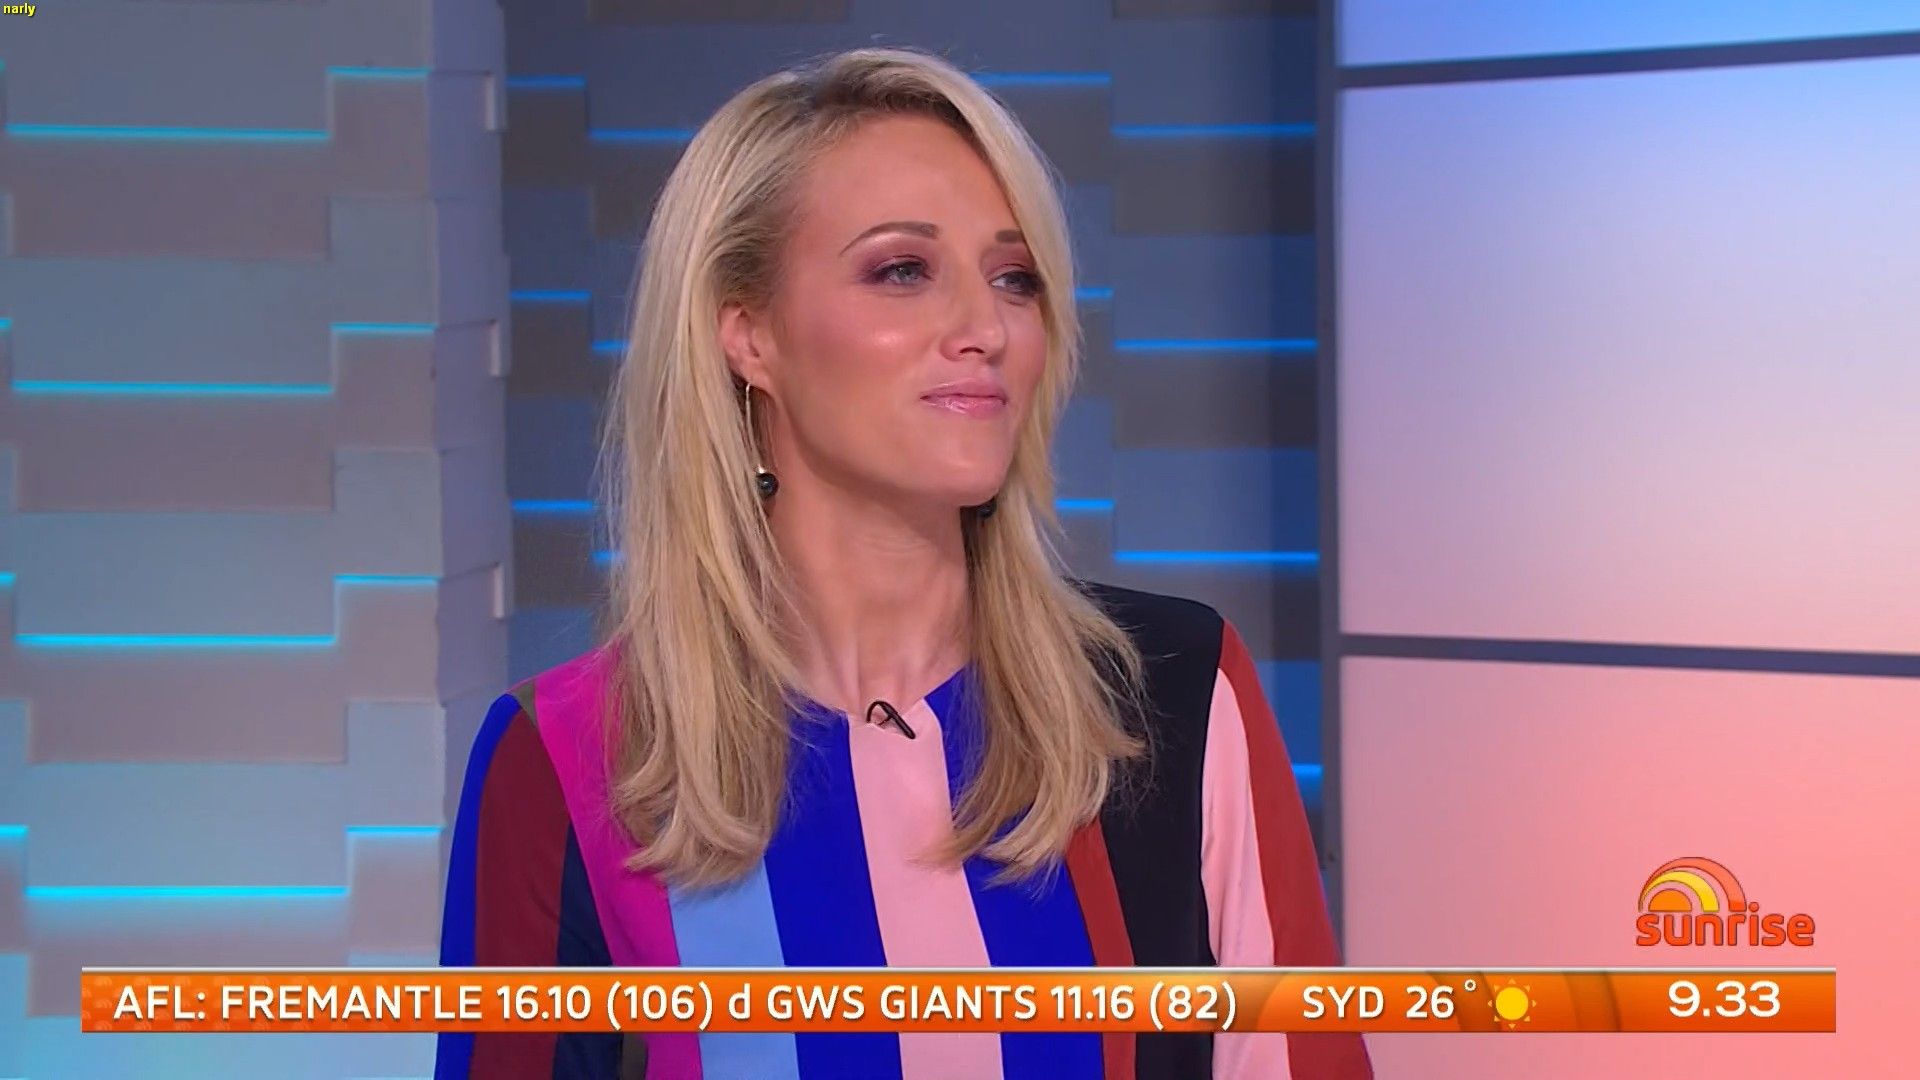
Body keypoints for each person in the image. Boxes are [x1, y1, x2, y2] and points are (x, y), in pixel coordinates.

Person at [437, 44, 1370, 1080]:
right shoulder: (567, 757)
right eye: (902, 271)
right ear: (748, 335)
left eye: (1013, 279)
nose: (985, 328)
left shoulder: (1177, 692)